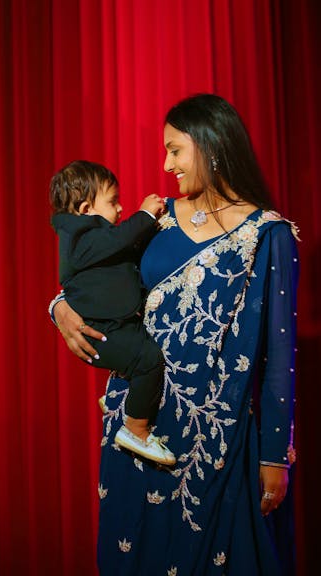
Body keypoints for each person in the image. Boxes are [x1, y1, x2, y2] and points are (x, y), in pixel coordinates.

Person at [50, 94, 299, 575]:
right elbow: (92, 277)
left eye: (175, 150)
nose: (166, 165)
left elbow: (280, 353)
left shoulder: (269, 235)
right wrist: (57, 306)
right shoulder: (156, 218)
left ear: (211, 145)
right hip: (138, 427)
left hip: (217, 437)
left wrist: (275, 457)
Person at [50, 160, 175, 465]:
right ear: (85, 209)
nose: (120, 209)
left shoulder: (94, 239)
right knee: (148, 362)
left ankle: (123, 399)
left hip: (115, 325)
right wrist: (145, 214)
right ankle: (135, 428)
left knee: (142, 352)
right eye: (113, 202)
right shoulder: (80, 237)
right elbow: (122, 239)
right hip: (100, 330)